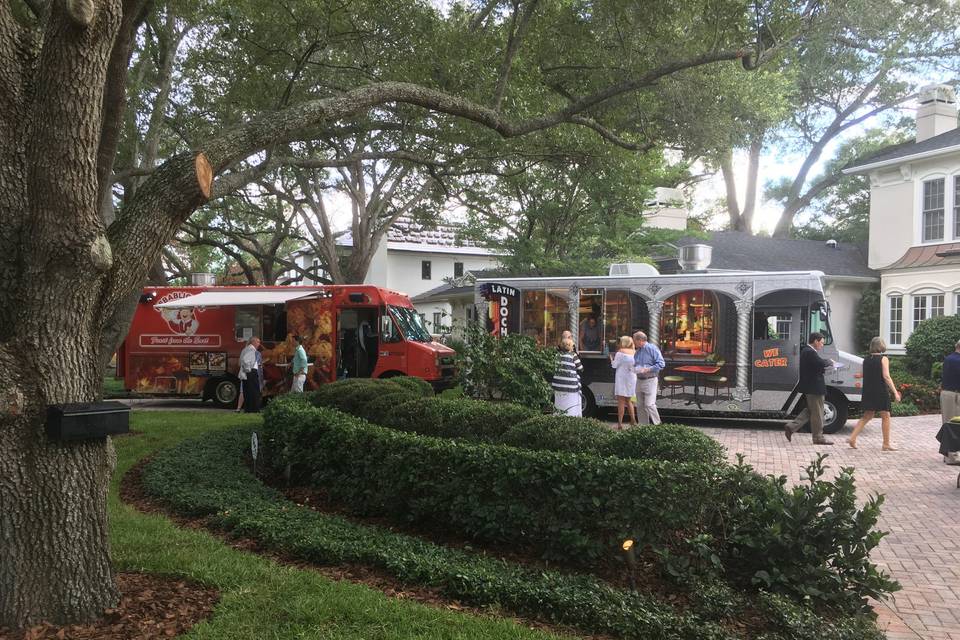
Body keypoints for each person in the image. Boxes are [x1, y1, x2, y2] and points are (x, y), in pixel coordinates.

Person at [848, 337, 900, 450]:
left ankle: (852, 438)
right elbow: (886, 376)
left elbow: (863, 374)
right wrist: (895, 392)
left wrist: (859, 376)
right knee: (885, 416)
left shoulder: (866, 359)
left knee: (867, 416)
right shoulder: (883, 359)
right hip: (880, 391)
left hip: (868, 391)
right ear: (880, 346)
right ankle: (886, 444)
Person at [784, 332, 834, 445]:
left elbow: (816, 366)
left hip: (812, 386)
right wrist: (830, 361)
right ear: (815, 341)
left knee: (811, 410)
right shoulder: (810, 352)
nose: (822, 345)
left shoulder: (808, 351)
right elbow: (820, 363)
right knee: (817, 413)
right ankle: (818, 437)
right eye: (821, 343)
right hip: (815, 387)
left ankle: (791, 427)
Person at [633, 331, 665, 425]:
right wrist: (633, 368)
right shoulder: (638, 351)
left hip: (650, 379)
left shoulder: (651, 348)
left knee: (649, 404)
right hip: (639, 380)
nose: (633, 342)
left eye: (634, 340)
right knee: (639, 405)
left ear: (640, 340)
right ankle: (643, 427)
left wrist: (648, 369)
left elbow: (661, 364)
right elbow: (636, 364)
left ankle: (658, 425)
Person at [609, 336, 638, 430]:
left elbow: (614, 365)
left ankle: (620, 423)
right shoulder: (635, 352)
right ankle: (633, 420)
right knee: (630, 400)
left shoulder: (620, 352)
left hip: (621, 378)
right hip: (632, 378)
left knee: (621, 401)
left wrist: (611, 359)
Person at [552, 337, 584, 416]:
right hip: (571, 386)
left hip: (558, 385)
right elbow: (581, 368)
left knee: (559, 404)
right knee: (570, 406)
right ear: (570, 346)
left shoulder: (557, 355)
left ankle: (558, 417)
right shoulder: (573, 355)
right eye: (573, 345)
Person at [238, 336, 262, 413]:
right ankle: (254, 409)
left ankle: (248, 409)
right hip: (251, 372)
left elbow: (240, 361)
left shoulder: (245, 349)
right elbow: (245, 361)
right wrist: (249, 370)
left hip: (246, 373)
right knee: (254, 391)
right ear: (253, 342)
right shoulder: (251, 349)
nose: (259, 344)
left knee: (247, 391)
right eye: (258, 342)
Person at [940, 339, 960, 424]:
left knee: (948, 425)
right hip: (956, 396)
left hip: (946, 395)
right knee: (956, 426)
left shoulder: (947, 359)